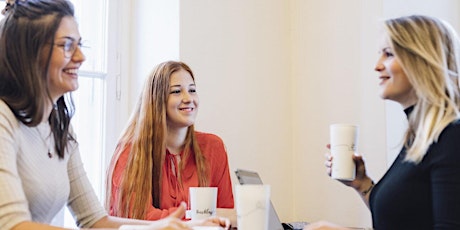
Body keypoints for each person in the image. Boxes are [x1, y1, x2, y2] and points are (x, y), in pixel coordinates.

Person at [0, 0, 229, 229]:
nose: (81, 57)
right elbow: (12, 225)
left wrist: (165, 227)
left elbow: (95, 220)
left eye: (80, 45)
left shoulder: (60, 126)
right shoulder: (4, 120)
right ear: (28, 52)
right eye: (67, 45)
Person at [305, 15, 460, 230]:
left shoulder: (451, 137)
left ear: (421, 60)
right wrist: (362, 184)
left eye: (388, 54)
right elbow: (400, 220)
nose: (377, 66)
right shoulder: (419, 139)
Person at [106, 60, 235, 221]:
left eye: (192, 90)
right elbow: (139, 218)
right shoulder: (130, 152)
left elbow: (227, 217)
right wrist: (201, 218)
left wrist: (212, 217)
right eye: (176, 92)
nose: (188, 98)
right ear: (156, 100)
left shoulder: (212, 147)